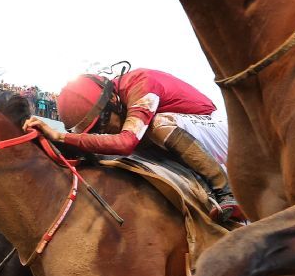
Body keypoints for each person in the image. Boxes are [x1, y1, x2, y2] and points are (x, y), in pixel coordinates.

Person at [24, 67, 242, 224]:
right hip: (189, 137)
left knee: (156, 126)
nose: (103, 131)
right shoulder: (117, 103)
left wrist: (61, 137)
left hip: (219, 131)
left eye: (101, 123)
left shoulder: (142, 83)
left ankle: (226, 191)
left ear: (113, 102)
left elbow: (125, 143)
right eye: (93, 130)